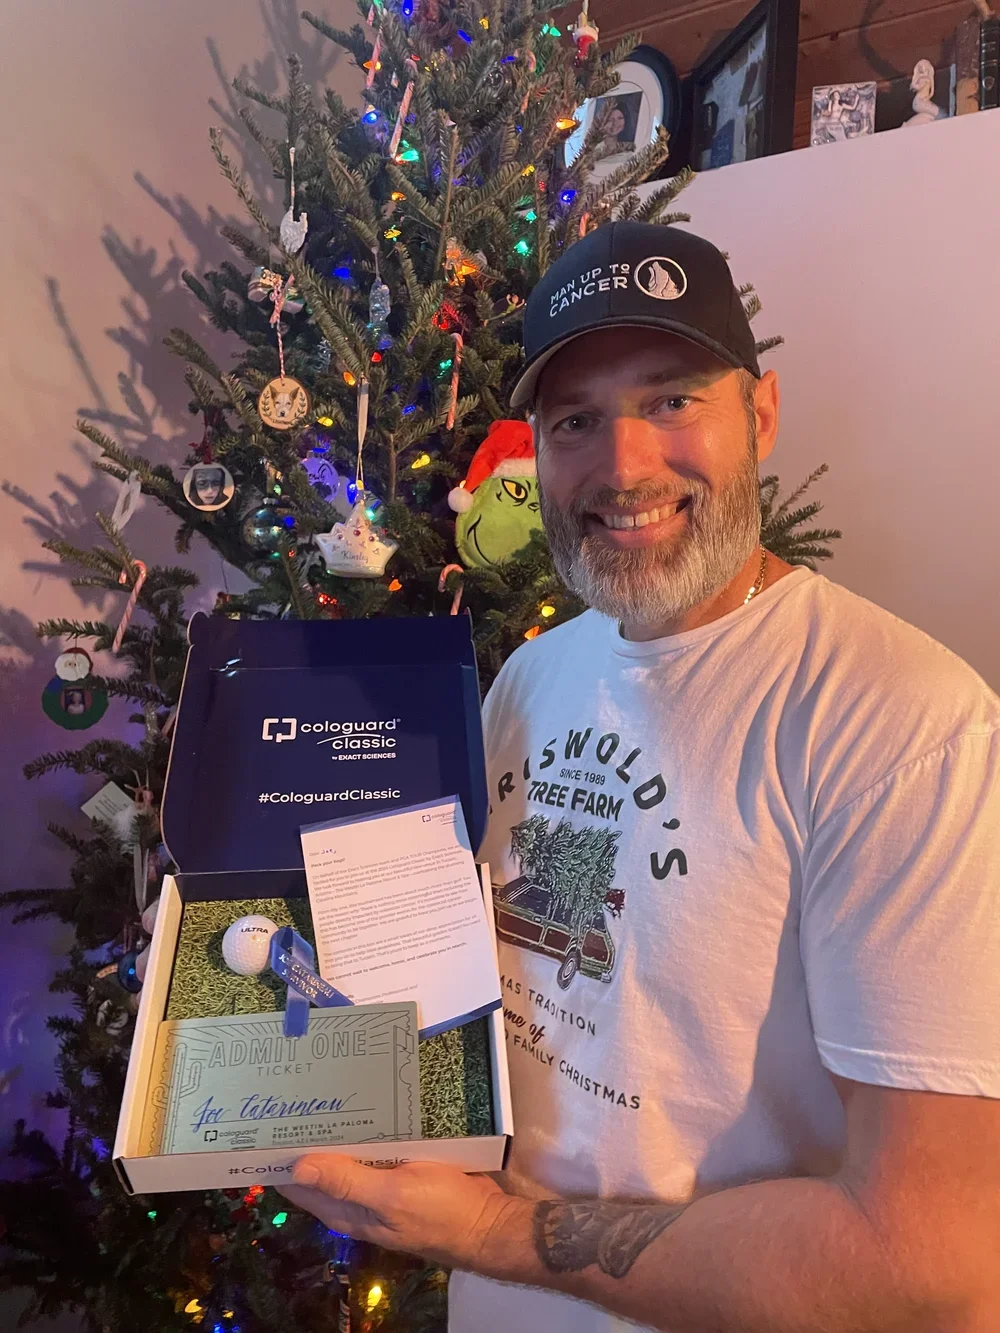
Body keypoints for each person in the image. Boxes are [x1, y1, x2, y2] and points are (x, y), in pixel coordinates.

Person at [280, 223, 1000, 1330]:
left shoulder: (901, 723)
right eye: (576, 420)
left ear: (758, 415)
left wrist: (482, 1231)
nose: (622, 468)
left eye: (671, 400)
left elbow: (924, 1251)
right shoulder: (527, 675)